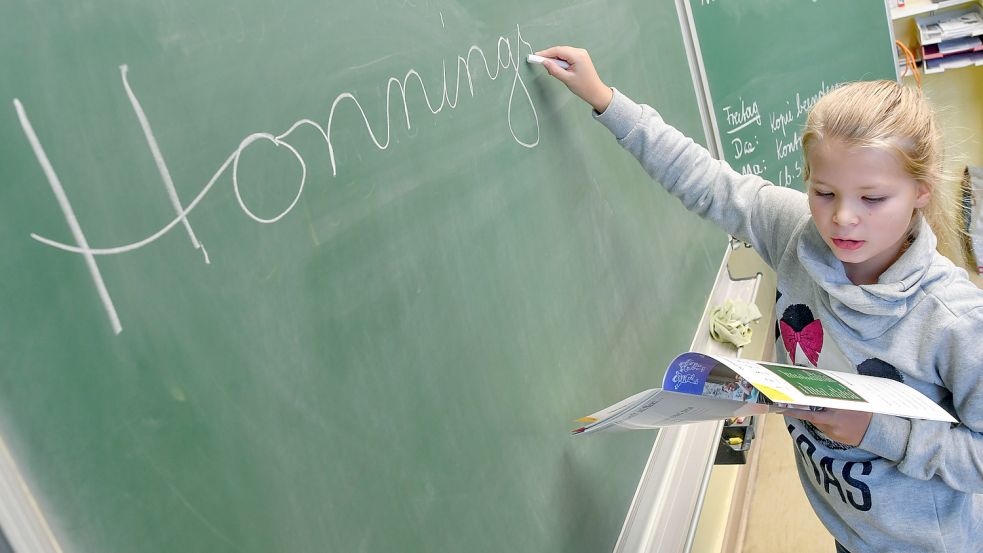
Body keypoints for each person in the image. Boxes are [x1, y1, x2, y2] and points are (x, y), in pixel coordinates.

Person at [534, 46, 983, 552]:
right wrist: (604, 98)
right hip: (846, 526)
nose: (842, 219)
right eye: (824, 192)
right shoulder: (796, 231)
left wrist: (876, 431)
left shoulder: (956, 320)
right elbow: (705, 181)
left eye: (873, 198)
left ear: (920, 192)